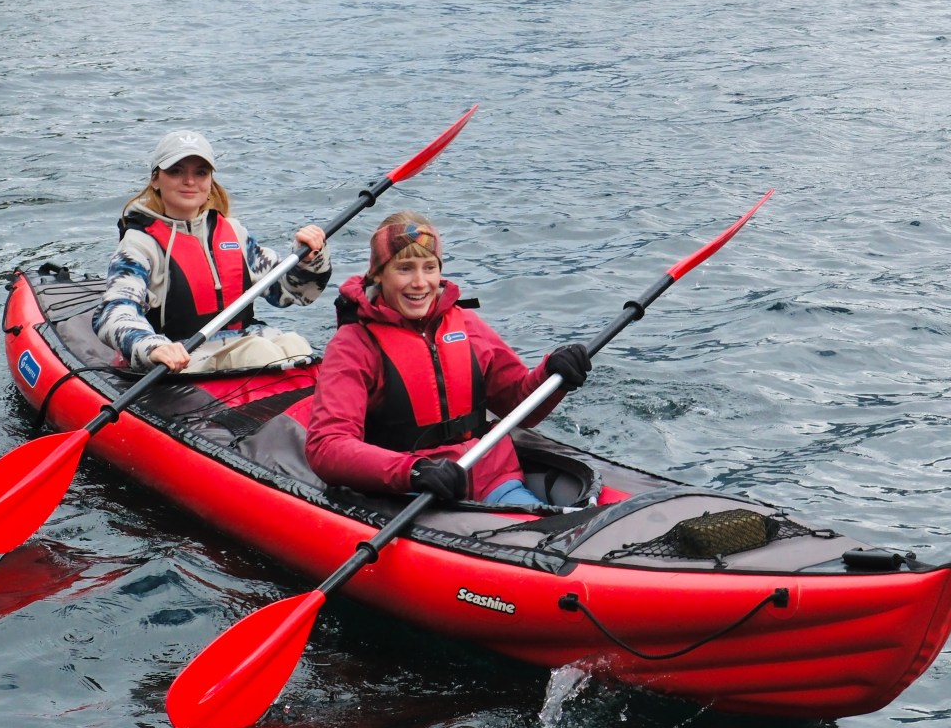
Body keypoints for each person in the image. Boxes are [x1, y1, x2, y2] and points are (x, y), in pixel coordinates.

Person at [304, 211, 591, 507]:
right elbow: (326, 446)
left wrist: (553, 377)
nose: (420, 282)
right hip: (411, 494)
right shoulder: (354, 345)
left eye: (430, 267)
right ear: (378, 273)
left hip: (494, 479)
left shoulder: (465, 324)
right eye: (405, 268)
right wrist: (413, 471)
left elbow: (520, 406)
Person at [96, 129, 332, 372]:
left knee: (295, 345)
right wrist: (151, 346)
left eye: (200, 172)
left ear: (210, 181)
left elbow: (289, 291)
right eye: (176, 171)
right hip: (183, 356)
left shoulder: (233, 231)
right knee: (258, 352)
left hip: (244, 340)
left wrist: (308, 260)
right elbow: (115, 312)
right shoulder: (140, 243)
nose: (189, 181)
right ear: (156, 180)